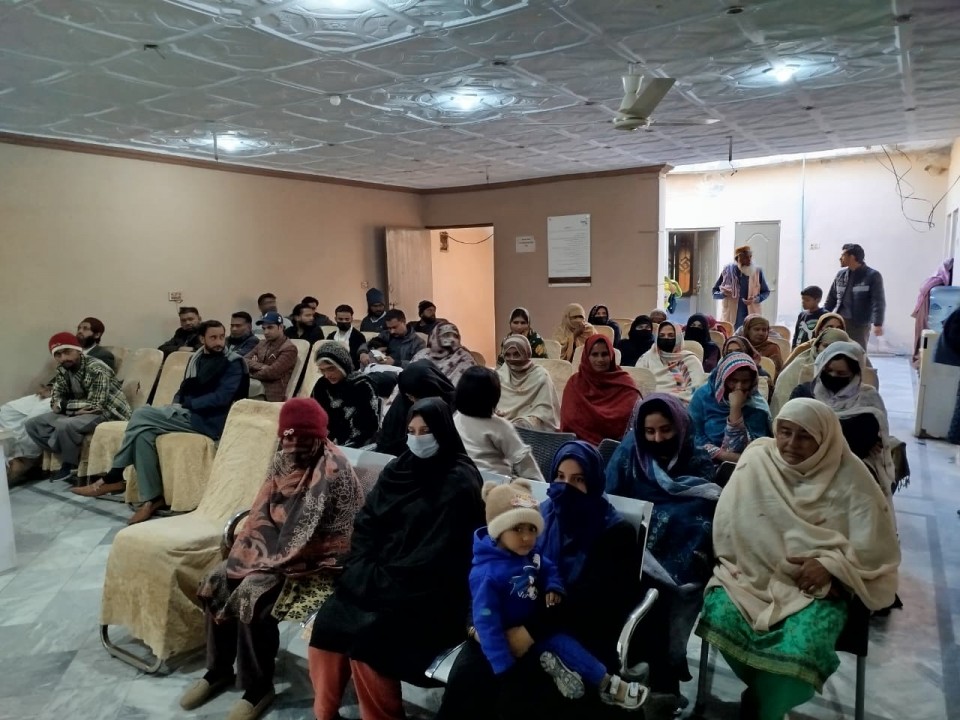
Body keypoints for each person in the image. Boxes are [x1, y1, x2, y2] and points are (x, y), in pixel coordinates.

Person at [695, 399, 900, 720]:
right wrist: (753, 562)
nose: (791, 444)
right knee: (718, 613)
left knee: (801, 649)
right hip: (747, 577)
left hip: (815, 591)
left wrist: (832, 566)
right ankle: (765, 698)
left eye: (804, 436)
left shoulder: (852, 477)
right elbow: (728, 526)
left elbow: (875, 550)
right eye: (785, 432)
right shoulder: (758, 460)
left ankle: (765, 707)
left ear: (824, 439)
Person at [183, 399, 364, 719]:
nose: (293, 446)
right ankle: (218, 669)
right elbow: (261, 511)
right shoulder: (281, 460)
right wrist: (250, 552)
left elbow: (310, 532)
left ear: (318, 436)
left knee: (253, 594)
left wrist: (266, 562)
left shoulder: (331, 469)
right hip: (274, 551)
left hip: (317, 561)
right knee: (217, 579)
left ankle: (257, 686)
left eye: (302, 438)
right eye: (287, 438)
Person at [437, 441, 643, 720]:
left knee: (518, 696)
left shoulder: (614, 534)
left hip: (573, 630)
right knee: (467, 678)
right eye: (559, 476)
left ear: (594, 482)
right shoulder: (535, 518)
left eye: (578, 479)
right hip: (513, 614)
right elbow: (489, 571)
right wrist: (475, 624)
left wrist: (529, 632)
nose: (566, 487)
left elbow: (591, 604)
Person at [307, 397, 485, 720]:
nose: (417, 439)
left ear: (443, 431)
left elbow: (441, 553)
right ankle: (325, 713)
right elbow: (367, 523)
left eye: (425, 431)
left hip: (428, 591)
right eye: (411, 431)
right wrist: (365, 568)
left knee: (371, 641)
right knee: (330, 621)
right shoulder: (398, 470)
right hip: (379, 575)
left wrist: (380, 577)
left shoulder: (459, 481)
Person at [470, 480, 648, 709]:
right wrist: (504, 667)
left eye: (532, 529)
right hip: (505, 639)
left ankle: (608, 684)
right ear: (498, 530)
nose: (527, 537)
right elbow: (486, 621)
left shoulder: (529, 554)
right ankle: (563, 670)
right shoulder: (487, 574)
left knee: (569, 646)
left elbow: (548, 567)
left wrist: (554, 586)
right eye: (517, 529)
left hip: (537, 626)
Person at [74, 320, 250, 523]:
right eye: (213, 337)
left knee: (141, 414)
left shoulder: (233, 363)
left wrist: (187, 404)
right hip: (189, 413)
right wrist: (177, 404)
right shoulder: (197, 359)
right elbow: (184, 389)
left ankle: (113, 475)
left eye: (221, 337)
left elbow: (222, 398)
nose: (219, 342)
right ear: (202, 339)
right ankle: (152, 499)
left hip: (212, 421)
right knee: (143, 434)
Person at [605, 394, 721, 696]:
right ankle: (627, 672)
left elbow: (702, 519)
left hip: (680, 564)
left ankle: (662, 682)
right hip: (629, 550)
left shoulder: (697, 460)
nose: (657, 439)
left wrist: (663, 523)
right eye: (650, 431)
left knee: (660, 600)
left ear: (680, 427)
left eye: (666, 430)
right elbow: (610, 500)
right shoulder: (629, 453)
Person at [788, 341, 901, 496]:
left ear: (855, 374)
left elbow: (859, 445)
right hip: (802, 457)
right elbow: (791, 427)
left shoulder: (868, 401)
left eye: (841, 374)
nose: (833, 376)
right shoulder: (803, 393)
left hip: (848, 464)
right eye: (828, 371)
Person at [24, 332, 131, 482]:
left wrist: (65, 406)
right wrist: (71, 409)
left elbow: (96, 404)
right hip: (80, 411)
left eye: (67, 352)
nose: (63, 358)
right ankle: (67, 450)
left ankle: (69, 464)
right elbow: (55, 401)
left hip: (109, 412)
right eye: (58, 355)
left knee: (64, 425)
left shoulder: (96, 368)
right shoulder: (62, 370)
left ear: (78, 350)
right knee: (32, 424)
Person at [453, 367, 543, 479]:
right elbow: (522, 459)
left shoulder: (456, 418)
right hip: (494, 483)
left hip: (462, 479)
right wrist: (540, 485)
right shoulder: (500, 426)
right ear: (493, 396)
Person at [689, 352, 772, 464]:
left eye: (745, 382)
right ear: (722, 378)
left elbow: (754, 450)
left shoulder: (757, 407)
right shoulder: (703, 397)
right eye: (733, 380)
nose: (739, 387)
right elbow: (694, 436)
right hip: (704, 460)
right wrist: (722, 455)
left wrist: (735, 408)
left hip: (745, 466)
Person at [560, 335, 639, 446]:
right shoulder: (575, 383)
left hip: (615, 448)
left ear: (611, 355)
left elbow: (629, 421)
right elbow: (569, 420)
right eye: (595, 354)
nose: (600, 359)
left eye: (604, 354)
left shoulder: (625, 384)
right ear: (587, 357)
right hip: (578, 446)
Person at [375, 360, 455, 456]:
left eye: (418, 397)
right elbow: (388, 441)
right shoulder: (403, 401)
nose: (414, 401)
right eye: (410, 396)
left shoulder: (454, 405)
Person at [310, 342, 379, 448]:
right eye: (323, 370)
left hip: (354, 445)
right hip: (325, 441)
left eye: (331, 369)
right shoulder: (322, 384)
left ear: (343, 365)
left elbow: (367, 426)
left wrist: (338, 443)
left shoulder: (362, 385)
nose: (327, 375)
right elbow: (312, 415)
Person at [770, 328, 851, 417]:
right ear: (817, 345)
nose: (829, 351)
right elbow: (783, 402)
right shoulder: (798, 366)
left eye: (836, 348)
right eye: (826, 346)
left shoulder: (851, 372)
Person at [824, 243, 886, 350]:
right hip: (840, 322)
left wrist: (878, 323)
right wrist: (823, 318)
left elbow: (878, 301)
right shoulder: (840, 275)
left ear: (852, 257)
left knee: (857, 352)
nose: (840, 258)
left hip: (860, 324)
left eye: (843, 255)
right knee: (837, 351)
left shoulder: (872, 276)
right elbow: (831, 299)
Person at [496, 336, 561, 431]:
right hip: (499, 427)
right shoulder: (499, 376)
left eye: (517, 354)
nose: (512, 359)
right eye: (507, 355)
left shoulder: (540, 376)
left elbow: (545, 413)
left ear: (526, 353)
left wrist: (522, 423)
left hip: (529, 430)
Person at [636, 322, 707, 403]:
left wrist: (670, 400)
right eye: (662, 335)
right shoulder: (646, 358)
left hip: (679, 403)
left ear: (678, 338)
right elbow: (638, 383)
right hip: (649, 402)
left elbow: (696, 388)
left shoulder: (689, 359)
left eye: (671, 335)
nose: (666, 338)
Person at [712, 246, 771, 329]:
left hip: (752, 315)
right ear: (737, 259)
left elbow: (766, 292)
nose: (749, 260)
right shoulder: (727, 271)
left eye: (750, 257)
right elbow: (714, 293)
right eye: (745, 258)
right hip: (731, 318)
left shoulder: (758, 272)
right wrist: (723, 294)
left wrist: (756, 299)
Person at [246, 312, 298, 402]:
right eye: (264, 328)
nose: (266, 332)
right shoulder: (262, 343)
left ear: (281, 327)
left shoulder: (289, 348)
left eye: (270, 327)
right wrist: (262, 366)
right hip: (256, 384)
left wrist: (249, 373)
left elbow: (271, 373)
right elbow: (243, 360)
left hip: (270, 392)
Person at [912, 258, 954, 365]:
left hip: (924, 311)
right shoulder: (938, 284)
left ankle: (920, 362)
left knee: (922, 337)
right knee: (926, 338)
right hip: (927, 311)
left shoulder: (933, 280)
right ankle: (921, 362)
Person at [412, 321, 477, 386]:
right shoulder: (422, 354)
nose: (452, 339)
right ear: (433, 337)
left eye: (455, 336)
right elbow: (409, 376)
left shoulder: (464, 358)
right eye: (446, 335)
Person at [360, 308, 425, 369]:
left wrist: (395, 363)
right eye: (389, 328)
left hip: (401, 373)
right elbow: (367, 344)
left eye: (394, 327)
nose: (392, 331)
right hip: (379, 368)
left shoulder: (418, 342)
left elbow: (419, 365)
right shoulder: (385, 335)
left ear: (404, 322)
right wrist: (363, 353)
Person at [781, 312, 846, 370]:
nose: (835, 331)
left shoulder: (848, 351)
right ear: (820, 330)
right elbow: (785, 371)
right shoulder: (803, 349)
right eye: (830, 327)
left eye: (839, 328)